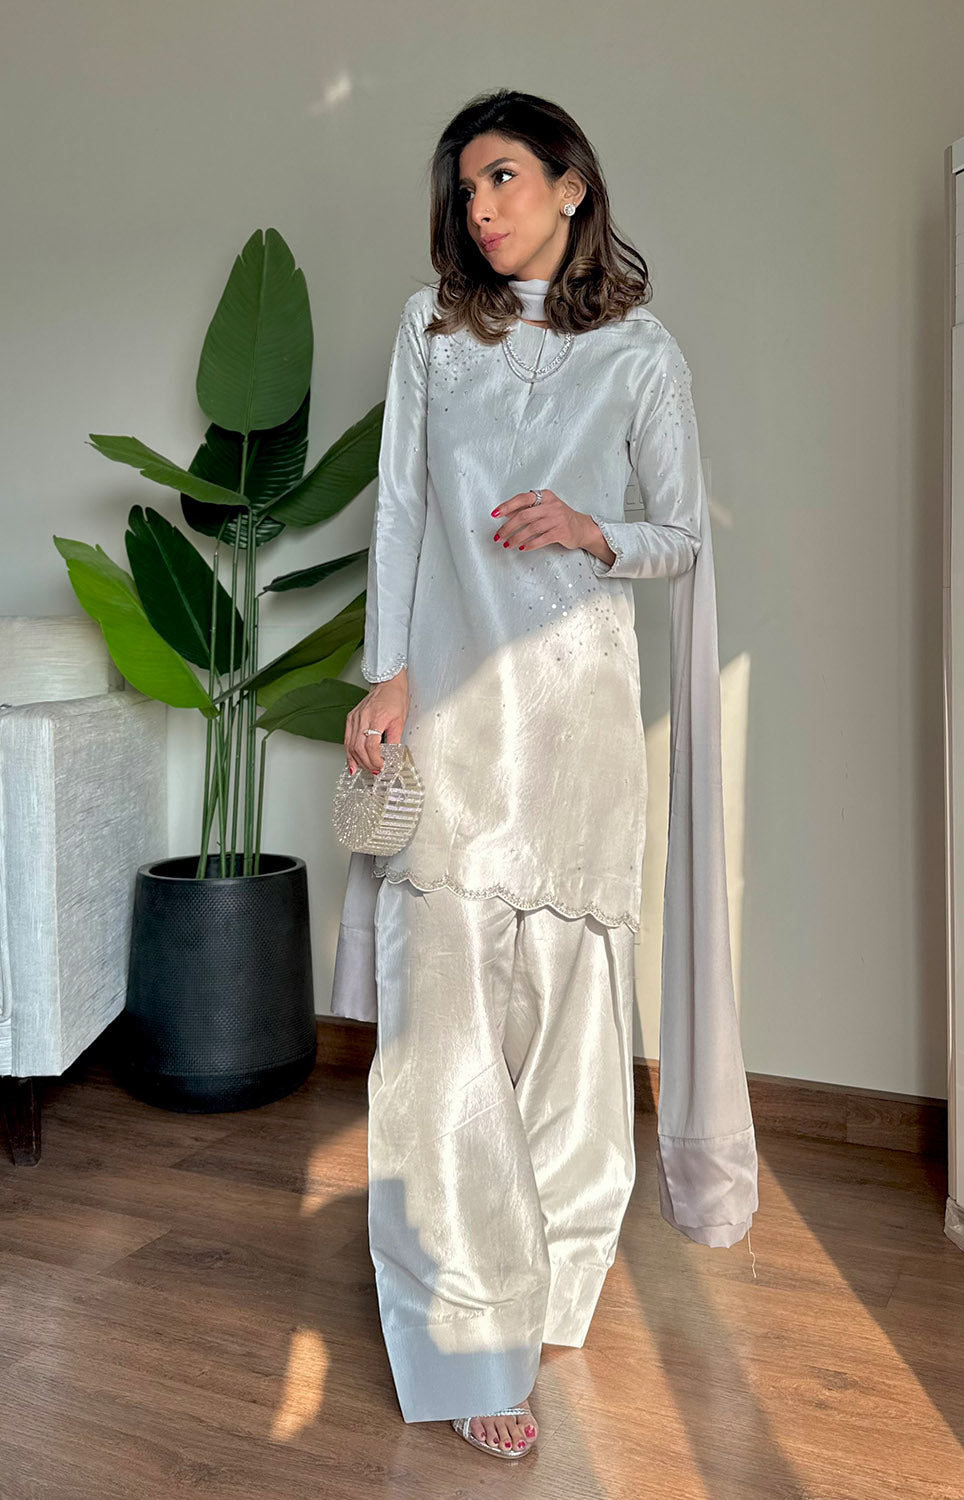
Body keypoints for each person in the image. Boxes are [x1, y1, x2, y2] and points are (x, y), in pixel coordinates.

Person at [332, 87, 759, 1460]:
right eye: (465, 189)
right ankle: (469, 1344)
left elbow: (682, 536)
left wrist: (590, 528)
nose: (480, 208)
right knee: (444, 1041)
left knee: (573, 1034)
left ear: (573, 184)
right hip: (457, 722)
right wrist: (386, 675)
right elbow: (402, 509)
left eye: (503, 177)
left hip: (575, 729)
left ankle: (550, 1283)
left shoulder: (641, 355)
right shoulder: (431, 331)